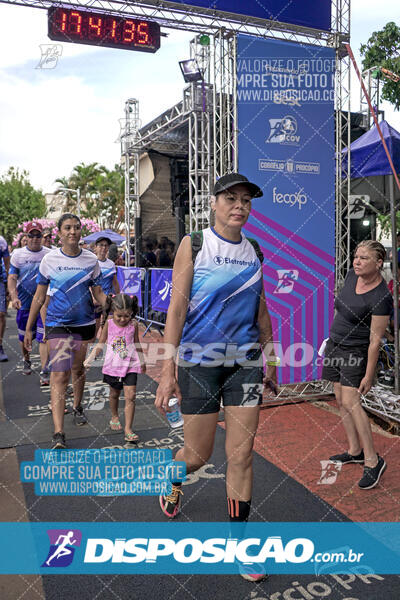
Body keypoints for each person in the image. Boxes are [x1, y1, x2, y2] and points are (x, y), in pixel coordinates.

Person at [154, 173, 277, 582]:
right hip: (199, 362)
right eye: (231, 198)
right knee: (197, 457)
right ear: (213, 202)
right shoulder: (195, 244)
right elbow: (176, 311)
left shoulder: (255, 250)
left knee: (241, 455)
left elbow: (261, 309)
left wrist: (270, 355)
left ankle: (241, 547)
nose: (239, 205)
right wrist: (167, 370)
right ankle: (172, 477)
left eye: (246, 200)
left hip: (244, 363)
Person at [24, 213, 107, 449]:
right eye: (68, 228)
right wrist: (30, 329)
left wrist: (111, 301)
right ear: (59, 233)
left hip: (84, 324)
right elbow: (40, 297)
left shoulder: (91, 260)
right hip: (58, 324)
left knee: (78, 368)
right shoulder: (49, 260)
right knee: (60, 375)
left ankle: (78, 406)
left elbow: (98, 293)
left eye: (77, 228)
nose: (73, 232)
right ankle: (58, 432)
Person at [322, 240, 393, 490]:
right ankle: (355, 451)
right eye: (356, 256)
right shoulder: (352, 276)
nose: (357, 261)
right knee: (341, 399)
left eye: (364, 258)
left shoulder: (382, 296)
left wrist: (368, 373)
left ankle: (373, 461)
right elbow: (340, 308)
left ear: (378, 263)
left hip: (356, 352)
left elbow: (376, 340)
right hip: (335, 346)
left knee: (353, 403)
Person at [84, 294, 145, 443]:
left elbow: (136, 343)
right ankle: (114, 416)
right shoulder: (109, 324)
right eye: (119, 316)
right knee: (114, 394)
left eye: (127, 316)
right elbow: (101, 343)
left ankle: (128, 429)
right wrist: (90, 358)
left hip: (130, 365)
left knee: (131, 396)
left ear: (132, 313)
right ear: (112, 311)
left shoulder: (134, 325)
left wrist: (142, 360)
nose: (123, 319)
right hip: (114, 365)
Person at [8, 221, 50, 383]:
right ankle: (26, 359)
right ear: (26, 237)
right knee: (25, 335)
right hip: (25, 302)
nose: (34, 239)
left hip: (43, 302)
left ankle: (45, 370)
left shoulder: (48, 254)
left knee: (43, 336)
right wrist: (14, 296)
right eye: (31, 235)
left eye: (38, 235)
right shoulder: (18, 254)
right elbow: (12, 278)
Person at [93, 236, 120, 335]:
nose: (104, 248)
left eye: (106, 245)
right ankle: (93, 348)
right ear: (95, 247)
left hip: (108, 300)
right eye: (101, 245)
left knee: (107, 328)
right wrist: (93, 297)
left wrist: (118, 297)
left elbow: (115, 282)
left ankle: (107, 349)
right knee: (94, 329)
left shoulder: (111, 264)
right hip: (94, 301)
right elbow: (87, 283)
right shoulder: (91, 263)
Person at [0, 234, 10, 362]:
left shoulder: (1, 241)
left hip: (0, 281)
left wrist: (8, 284)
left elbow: (7, 263)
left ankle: (0, 346)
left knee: (1, 314)